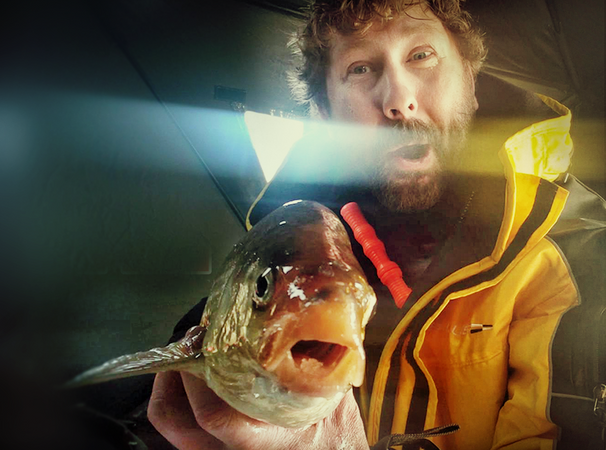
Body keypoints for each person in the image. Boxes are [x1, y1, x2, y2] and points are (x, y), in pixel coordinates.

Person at [147, 0, 605, 449]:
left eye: (421, 56)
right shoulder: (282, 239)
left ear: (469, 82)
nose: (398, 101)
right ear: (325, 115)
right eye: (361, 68)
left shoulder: (569, 252)